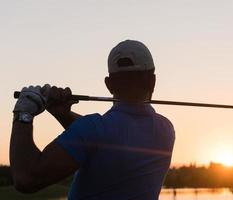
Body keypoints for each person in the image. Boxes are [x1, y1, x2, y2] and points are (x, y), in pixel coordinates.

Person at [10, 40, 175, 200]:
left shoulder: (92, 129)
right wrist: (63, 114)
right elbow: (106, 140)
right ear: (153, 82)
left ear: (108, 84)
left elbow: (26, 178)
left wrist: (23, 112)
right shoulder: (166, 130)